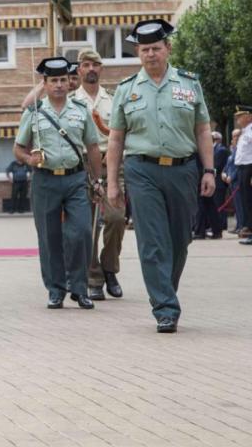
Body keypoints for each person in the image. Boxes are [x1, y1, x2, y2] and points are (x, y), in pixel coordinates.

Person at [106, 19, 215, 333]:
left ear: (167, 49)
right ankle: (165, 308)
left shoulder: (189, 83)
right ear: (138, 53)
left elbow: (203, 129)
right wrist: (114, 183)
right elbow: (115, 139)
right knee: (153, 242)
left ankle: (165, 290)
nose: (150, 54)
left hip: (183, 170)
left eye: (155, 48)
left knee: (180, 240)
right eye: (144, 50)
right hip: (142, 171)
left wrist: (209, 170)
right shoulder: (127, 90)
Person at [15, 57, 102, 310]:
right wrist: (29, 159)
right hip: (45, 180)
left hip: (75, 179)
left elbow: (93, 147)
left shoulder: (80, 109)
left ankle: (79, 287)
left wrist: (98, 180)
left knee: (82, 232)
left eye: (63, 80)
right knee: (49, 237)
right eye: (54, 80)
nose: (59, 85)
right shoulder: (34, 113)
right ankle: (55, 290)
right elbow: (18, 149)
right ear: (45, 83)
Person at [72, 50, 127, 301]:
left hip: (110, 163)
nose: (91, 68)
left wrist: (111, 157)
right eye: (86, 64)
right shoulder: (72, 101)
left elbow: (124, 132)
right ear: (79, 70)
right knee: (88, 224)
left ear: (101, 69)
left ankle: (109, 268)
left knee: (116, 218)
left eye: (96, 64)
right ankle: (94, 277)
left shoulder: (113, 100)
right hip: (81, 166)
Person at [194, 131, 229, 240]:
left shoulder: (198, 146)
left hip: (200, 175)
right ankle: (216, 230)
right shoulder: (205, 147)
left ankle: (200, 231)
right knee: (209, 205)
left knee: (201, 205)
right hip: (204, 174)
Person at [234, 105, 252, 244]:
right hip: (242, 168)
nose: (237, 118)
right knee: (246, 201)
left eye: (240, 115)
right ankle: (249, 230)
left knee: (250, 201)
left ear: (249, 116)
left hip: (249, 168)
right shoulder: (244, 131)